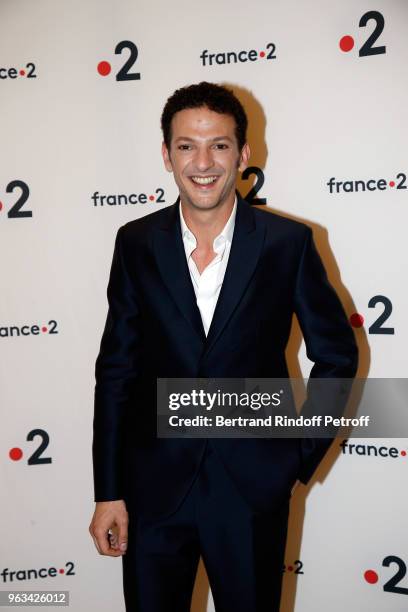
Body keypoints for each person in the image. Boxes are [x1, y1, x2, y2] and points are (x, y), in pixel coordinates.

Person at [89, 81, 358, 611]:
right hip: (154, 492)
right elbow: (117, 371)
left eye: (220, 145)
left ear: (244, 153)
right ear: (166, 155)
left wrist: (296, 456)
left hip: (251, 490)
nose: (203, 162)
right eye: (187, 145)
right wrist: (108, 490)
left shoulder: (288, 244)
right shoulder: (135, 243)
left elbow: (337, 355)